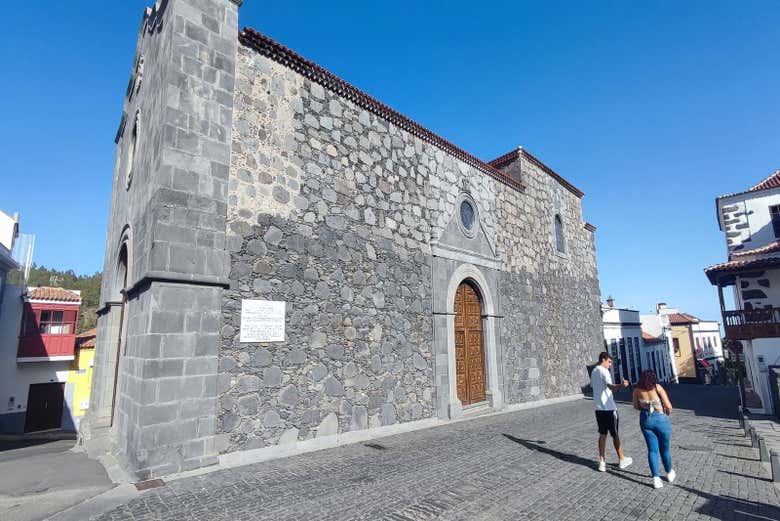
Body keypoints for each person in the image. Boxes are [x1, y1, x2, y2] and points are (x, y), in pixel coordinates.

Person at [633, 369, 676, 489]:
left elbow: (636, 406)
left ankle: (656, 478)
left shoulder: (637, 390)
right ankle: (669, 472)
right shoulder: (657, 388)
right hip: (661, 420)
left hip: (646, 420)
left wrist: (645, 405)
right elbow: (669, 406)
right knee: (665, 449)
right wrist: (666, 413)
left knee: (652, 450)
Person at [590, 351, 632, 472]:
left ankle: (602, 462)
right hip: (609, 408)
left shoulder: (593, 371)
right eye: (609, 362)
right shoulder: (604, 371)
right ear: (603, 359)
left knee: (602, 434)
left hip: (599, 409)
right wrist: (622, 385)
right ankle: (622, 459)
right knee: (615, 434)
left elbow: (595, 387)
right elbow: (611, 386)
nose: (610, 365)